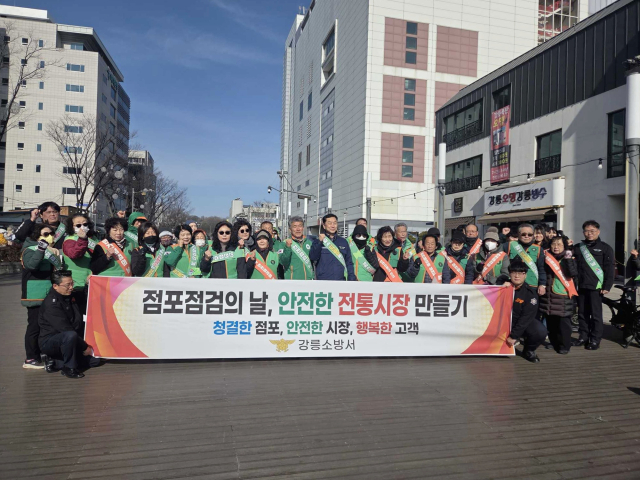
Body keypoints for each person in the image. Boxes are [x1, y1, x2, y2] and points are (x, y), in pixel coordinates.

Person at [38, 271, 95, 379]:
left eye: (72, 283)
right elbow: (65, 329)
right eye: (67, 285)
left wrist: (88, 284)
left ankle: (56, 361)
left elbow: (84, 297)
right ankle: (69, 368)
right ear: (55, 286)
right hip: (51, 340)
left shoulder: (69, 295)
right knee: (70, 335)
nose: (71, 287)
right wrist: (84, 347)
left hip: (71, 338)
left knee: (94, 361)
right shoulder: (51, 305)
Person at [20, 224, 62, 369]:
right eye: (45, 234)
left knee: (48, 326)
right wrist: (41, 249)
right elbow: (32, 265)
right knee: (34, 326)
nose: (49, 237)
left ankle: (43, 354)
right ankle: (31, 358)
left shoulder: (52, 250)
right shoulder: (29, 250)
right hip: (34, 295)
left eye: (51, 234)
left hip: (48, 293)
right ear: (37, 236)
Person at [573, 220, 615, 350]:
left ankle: (595, 339)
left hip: (596, 287)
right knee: (582, 313)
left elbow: (610, 268)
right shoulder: (578, 247)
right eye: (587, 231)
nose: (589, 233)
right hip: (581, 286)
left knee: (596, 314)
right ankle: (583, 337)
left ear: (598, 231)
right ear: (583, 232)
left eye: (592, 231)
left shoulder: (605, 248)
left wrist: (607, 286)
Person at [540, 236, 578, 354]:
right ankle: (554, 342)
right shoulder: (546, 257)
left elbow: (572, 273)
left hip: (562, 294)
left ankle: (565, 345)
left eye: (559, 244)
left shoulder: (568, 257)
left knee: (563, 323)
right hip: (548, 294)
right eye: (553, 244)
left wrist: (568, 258)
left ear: (564, 246)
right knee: (551, 321)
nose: (556, 247)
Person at [505, 259, 547, 363]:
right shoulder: (502, 286)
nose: (517, 276)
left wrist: (514, 336)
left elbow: (525, 318)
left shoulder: (530, 294)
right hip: (502, 321)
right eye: (514, 273)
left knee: (540, 331)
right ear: (509, 274)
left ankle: (529, 350)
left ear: (525, 275)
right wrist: (500, 285)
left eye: (520, 273)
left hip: (519, 322)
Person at [62, 213, 99, 314]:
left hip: (92, 282)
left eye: (85, 224)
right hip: (76, 284)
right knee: (79, 315)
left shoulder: (93, 238)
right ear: (71, 227)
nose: (82, 227)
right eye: (78, 225)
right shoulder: (69, 240)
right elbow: (74, 254)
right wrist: (82, 240)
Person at [309, 213, 356, 281]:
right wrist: (320, 242)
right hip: (323, 281)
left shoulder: (343, 242)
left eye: (335, 223)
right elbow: (313, 257)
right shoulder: (318, 241)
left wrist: (351, 279)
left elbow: (349, 262)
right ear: (324, 226)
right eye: (329, 223)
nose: (333, 225)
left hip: (340, 280)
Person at [507, 223, 546, 294]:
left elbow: (541, 268)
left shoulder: (539, 249)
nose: (526, 236)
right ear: (518, 234)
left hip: (531, 285)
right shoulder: (509, 245)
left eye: (530, 234)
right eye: (523, 234)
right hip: (513, 285)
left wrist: (542, 284)